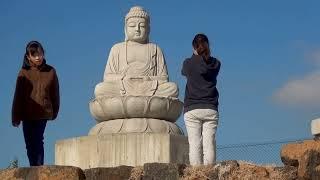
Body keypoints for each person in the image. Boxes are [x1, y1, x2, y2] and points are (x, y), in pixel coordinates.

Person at [94, 6, 178, 98]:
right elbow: (107, 77)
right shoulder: (117, 48)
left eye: (142, 26)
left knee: (173, 88)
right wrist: (124, 78)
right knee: (100, 89)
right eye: (132, 26)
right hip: (123, 87)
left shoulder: (155, 49)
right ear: (125, 29)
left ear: (148, 30)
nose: (137, 29)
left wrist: (148, 79)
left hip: (149, 87)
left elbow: (164, 78)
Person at [12, 41, 60, 166]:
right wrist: (15, 117)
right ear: (28, 57)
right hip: (27, 113)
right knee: (29, 143)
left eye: (40, 53)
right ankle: (33, 167)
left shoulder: (51, 71)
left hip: (42, 113)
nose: (38, 57)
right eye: (34, 55)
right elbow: (18, 96)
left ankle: (39, 167)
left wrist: (55, 111)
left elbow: (55, 93)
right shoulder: (23, 73)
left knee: (38, 139)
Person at [181, 34, 221, 165]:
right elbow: (206, 64)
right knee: (209, 143)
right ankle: (209, 173)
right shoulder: (215, 64)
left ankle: (197, 175)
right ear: (208, 46)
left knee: (194, 145)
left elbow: (184, 72)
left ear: (194, 47)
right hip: (210, 107)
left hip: (192, 108)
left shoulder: (188, 63)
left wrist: (195, 56)